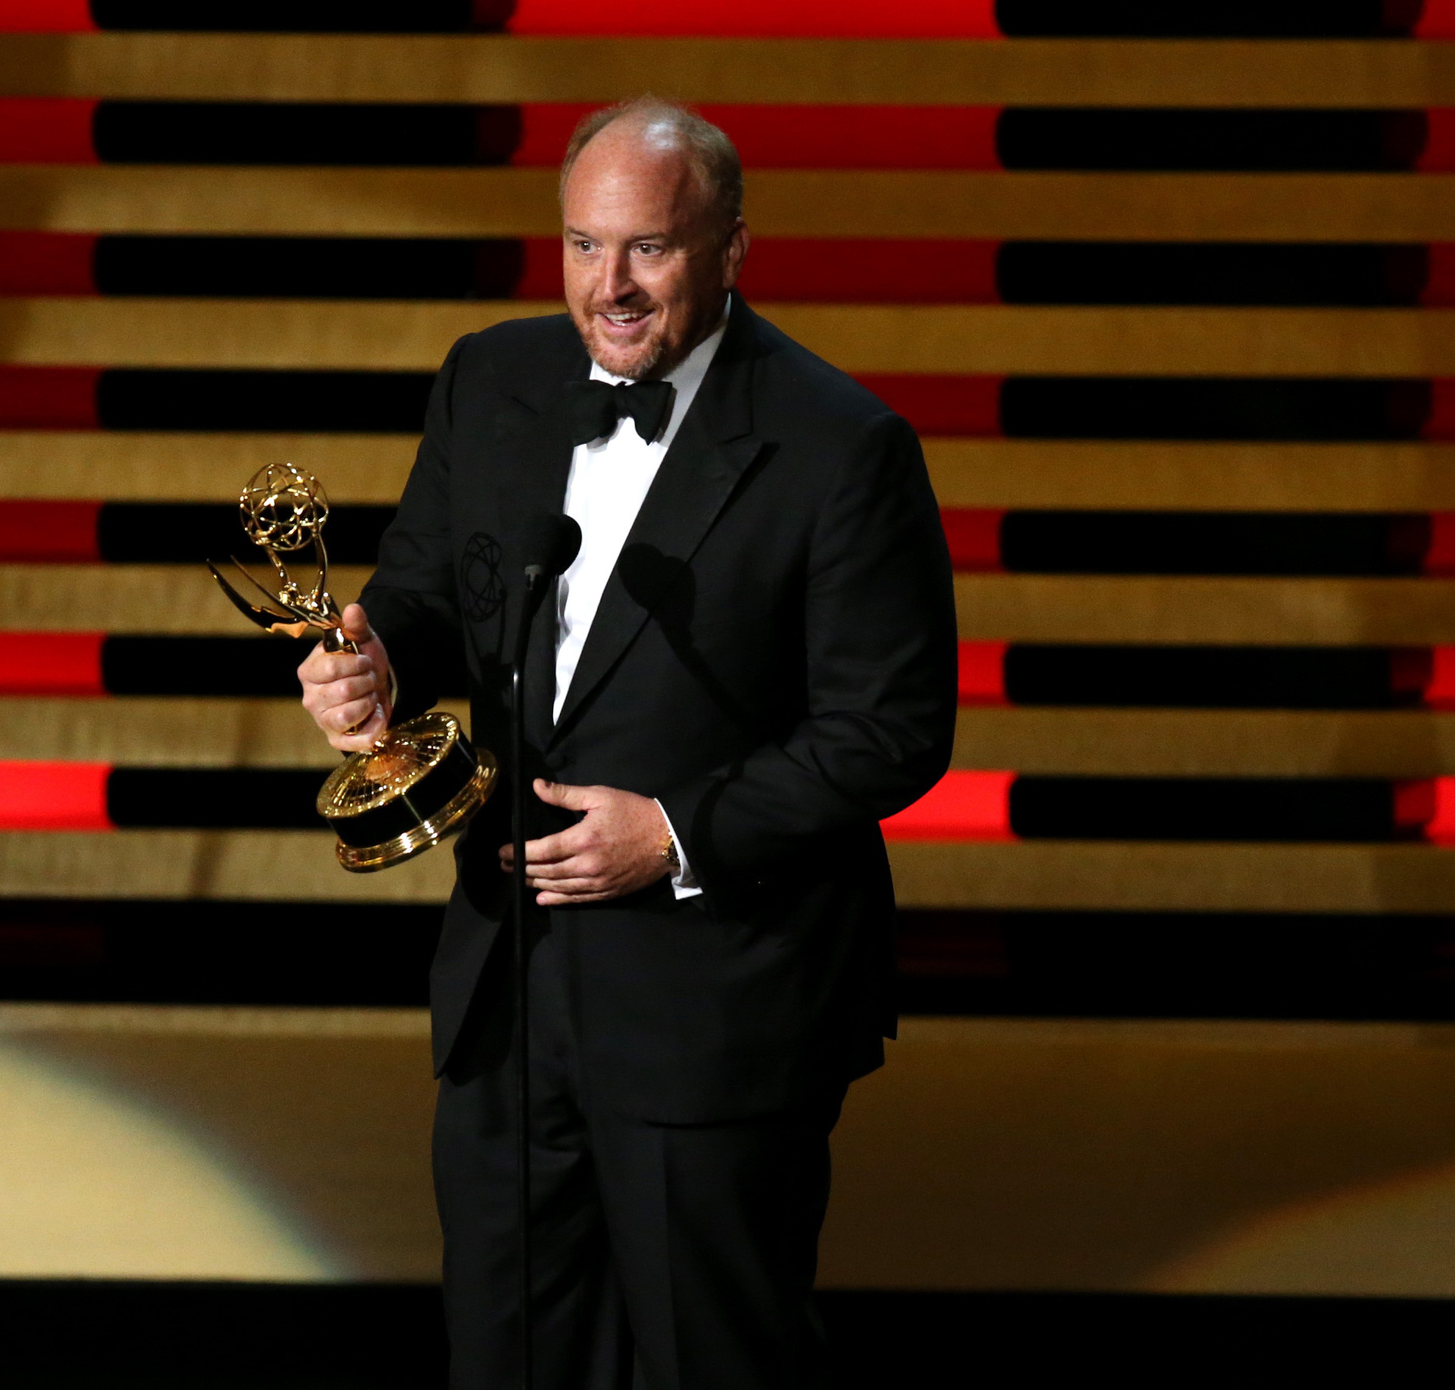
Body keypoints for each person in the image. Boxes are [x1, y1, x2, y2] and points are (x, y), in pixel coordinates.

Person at [297, 95, 956, 1390]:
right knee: (510, 1355)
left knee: (715, 1359)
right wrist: (373, 660)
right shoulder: (491, 379)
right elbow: (433, 593)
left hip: (715, 1002)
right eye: (585, 246)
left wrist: (675, 831)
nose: (612, 285)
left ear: (729, 248)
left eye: (649, 248)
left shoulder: (841, 446)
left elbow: (891, 728)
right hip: (511, 986)